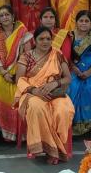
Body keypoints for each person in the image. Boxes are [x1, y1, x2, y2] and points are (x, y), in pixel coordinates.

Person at [15, 26, 75, 164]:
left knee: (63, 110)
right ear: (35, 40)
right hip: (32, 92)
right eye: (41, 39)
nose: (45, 41)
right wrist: (35, 91)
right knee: (38, 108)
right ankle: (49, 150)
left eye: (48, 39)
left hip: (54, 92)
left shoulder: (57, 54)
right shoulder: (26, 56)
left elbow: (67, 78)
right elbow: (19, 79)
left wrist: (54, 84)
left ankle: (59, 149)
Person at [0, 5, 33, 142]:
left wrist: (19, 72)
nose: (4, 17)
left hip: (21, 69)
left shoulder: (22, 30)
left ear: (13, 17)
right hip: (1, 70)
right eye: (1, 15)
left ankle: (22, 132)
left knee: (20, 90)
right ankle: (7, 132)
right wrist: (4, 73)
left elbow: (28, 54)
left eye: (7, 14)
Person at [66, 11, 91, 135]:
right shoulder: (70, 36)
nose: (84, 23)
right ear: (76, 22)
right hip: (75, 68)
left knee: (87, 88)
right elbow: (66, 56)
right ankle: (72, 122)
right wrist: (74, 68)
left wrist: (89, 72)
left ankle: (86, 122)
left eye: (86, 21)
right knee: (71, 85)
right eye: (81, 21)